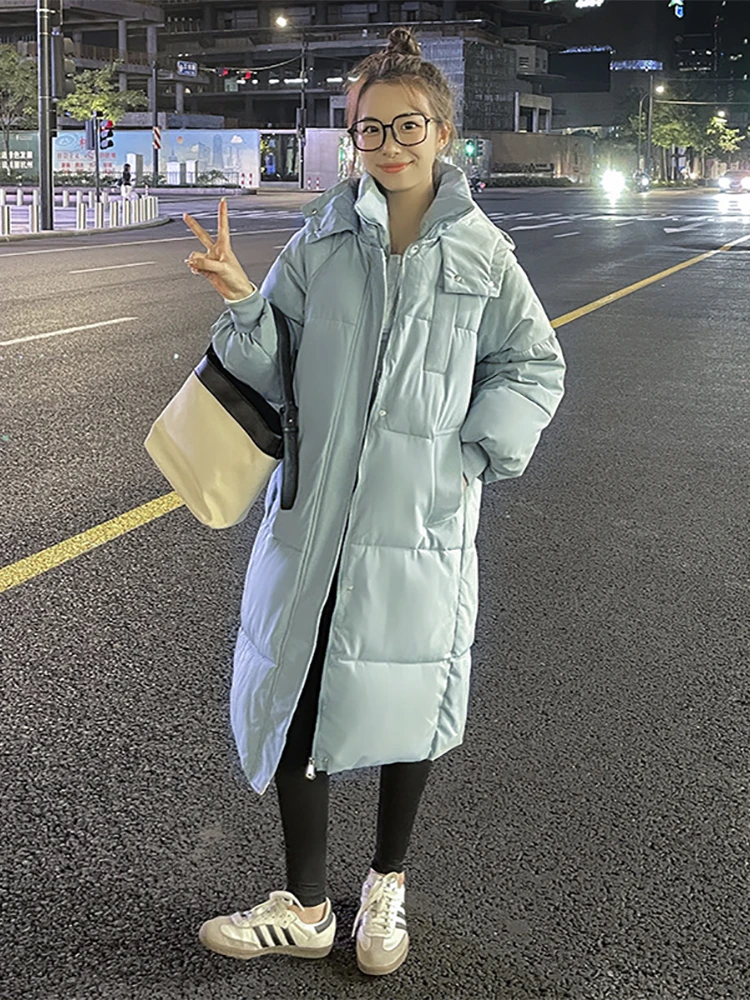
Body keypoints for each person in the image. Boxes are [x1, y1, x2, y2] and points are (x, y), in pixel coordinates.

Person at [182, 26, 566, 977]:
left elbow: (533, 364)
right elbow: (273, 364)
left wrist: (467, 454)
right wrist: (240, 296)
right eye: (369, 129)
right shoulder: (322, 238)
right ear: (352, 137)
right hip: (315, 514)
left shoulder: (481, 252)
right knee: (299, 692)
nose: (388, 145)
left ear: (442, 131)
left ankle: (386, 885)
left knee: (408, 695)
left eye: (407, 125)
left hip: (419, 523)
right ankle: (308, 904)